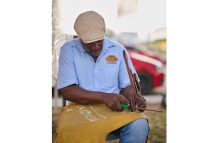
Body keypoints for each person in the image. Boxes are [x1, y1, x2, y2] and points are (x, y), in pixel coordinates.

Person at [57, 11, 149, 143]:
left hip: (115, 109)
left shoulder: (118, 50)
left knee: (139, 124)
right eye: (89, 42)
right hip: (80, 109)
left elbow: (128, 84)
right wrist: (104, 97)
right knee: (68, 131)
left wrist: (135, 97)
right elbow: (67, 90)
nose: (95, 46)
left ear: (104, 33)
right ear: (79, 36)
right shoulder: (68, 49)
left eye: (99, 41)